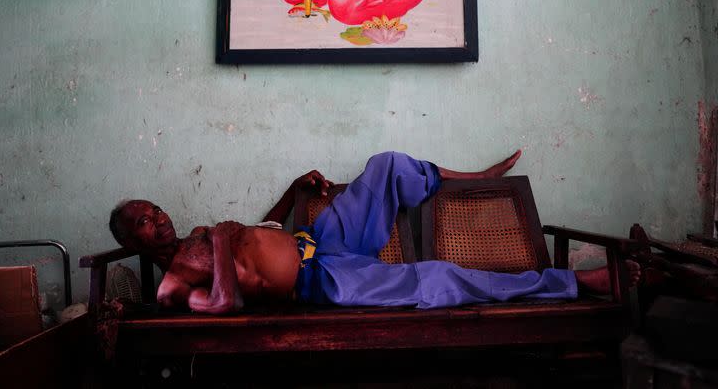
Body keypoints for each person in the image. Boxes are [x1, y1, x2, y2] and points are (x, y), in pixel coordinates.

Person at [109, 151, 640, 314]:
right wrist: (224, 242)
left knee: (384, 165)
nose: (158, 217)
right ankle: (573, 285)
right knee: (440, 277)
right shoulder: (172, 288)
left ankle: (470, 177)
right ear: (132, 243)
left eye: (154, 209)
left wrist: (294, 193)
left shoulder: (204, 230)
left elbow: (261, 232)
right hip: (325, 281)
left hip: (320, 239)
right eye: (144, 221)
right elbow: (225, 304)